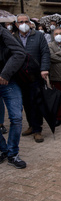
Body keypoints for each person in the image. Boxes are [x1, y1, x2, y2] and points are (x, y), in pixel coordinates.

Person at [13, 14, 50, 143]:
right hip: (20, 77)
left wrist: (44, 68)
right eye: (20, 22)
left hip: (35, 75)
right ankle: (30, 125)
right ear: (16, 24)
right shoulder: (13, 38)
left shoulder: (39, 36)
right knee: (26, 103)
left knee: (36, 102)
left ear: (30, 23)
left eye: (25, 21)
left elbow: (45, 52)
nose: (23, 24)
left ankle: (37, 130)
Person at [0, 25, 27, 168]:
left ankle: (12, 153)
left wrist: (5, 73)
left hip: (8, 82)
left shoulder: (3, 33)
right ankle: (3, 150)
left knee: (16, 117)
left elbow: (20, 53)